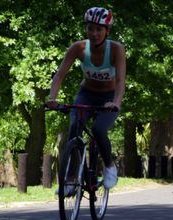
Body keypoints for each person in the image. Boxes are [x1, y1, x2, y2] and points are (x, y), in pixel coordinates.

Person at [46, 7, 126, 189]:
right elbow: (59, 75)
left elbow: (121, 80)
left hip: (109, 97)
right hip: (87, 94)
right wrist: (53, 98)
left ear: (107, 31)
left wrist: (116, 103)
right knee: (75, 128)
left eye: (99, 29)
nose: (94, 33)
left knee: (98, 130)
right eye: (91, 28)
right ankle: (71, 179)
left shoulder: (116, 49)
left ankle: (109, 166)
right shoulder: (79, 48)